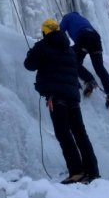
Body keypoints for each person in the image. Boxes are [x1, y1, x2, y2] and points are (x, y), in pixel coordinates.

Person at [24, 18, 100, 184]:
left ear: (45, 32)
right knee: (80, 134)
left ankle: (77, 172)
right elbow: (77, 68)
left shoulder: (42, 46)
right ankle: (92, 171)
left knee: (63, 133)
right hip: (73, 96)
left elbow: (29, 65)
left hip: (56, 97)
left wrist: (32, 52)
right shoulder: (69, 50)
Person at [60, 11, 109, 108]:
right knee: (99, 67)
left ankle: (89, 81)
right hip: (95, 38)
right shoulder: (82, 18)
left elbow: (60, 32)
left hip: (84, 37)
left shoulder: (66, 18)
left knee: (72, 61)